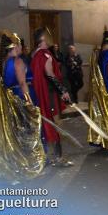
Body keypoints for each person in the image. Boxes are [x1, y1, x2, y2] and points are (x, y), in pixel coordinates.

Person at [0, 30, 45, 179]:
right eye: (19, 44)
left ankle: (16, 164)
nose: (21, 47)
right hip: (21, 98)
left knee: (16, 133)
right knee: (28, 132)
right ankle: (27, 164)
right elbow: (22, 83)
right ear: (14, 46)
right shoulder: (17, 61)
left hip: (11, 100)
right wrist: (30, 104)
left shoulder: (2, 63)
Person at [30, 28, 73, 167]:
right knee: (55, 124)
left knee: (46, 124)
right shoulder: (45, 55)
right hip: (49, 95)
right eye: (48, 36)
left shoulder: (35, 54)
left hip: (42, 95)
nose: (51, 38)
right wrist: (63, 91)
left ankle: (48, 157)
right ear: (42, 39)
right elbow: (50, 75)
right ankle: (58, 158)